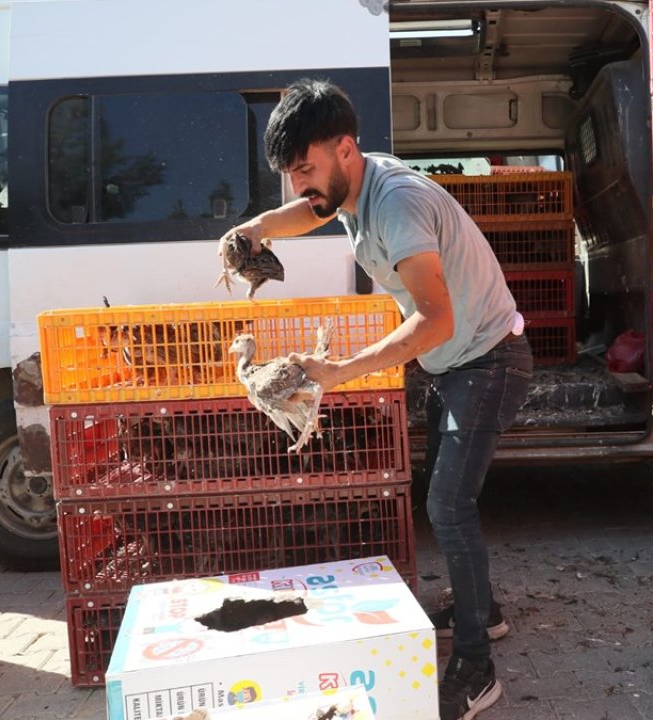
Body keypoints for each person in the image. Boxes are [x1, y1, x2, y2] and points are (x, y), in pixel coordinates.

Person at [222, 78, 532, 720]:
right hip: (456, 363)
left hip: (489, 360)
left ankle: (476, 667)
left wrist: (340, 371)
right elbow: (310, 209)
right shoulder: (349, 184)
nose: (298, 186)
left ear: (344, 148)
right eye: (289, 173)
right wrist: (254, 231)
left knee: (449, 503)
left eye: (305, 169)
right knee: (444, 496)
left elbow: (437, 320)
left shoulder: (396, 206)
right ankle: (486, 611)